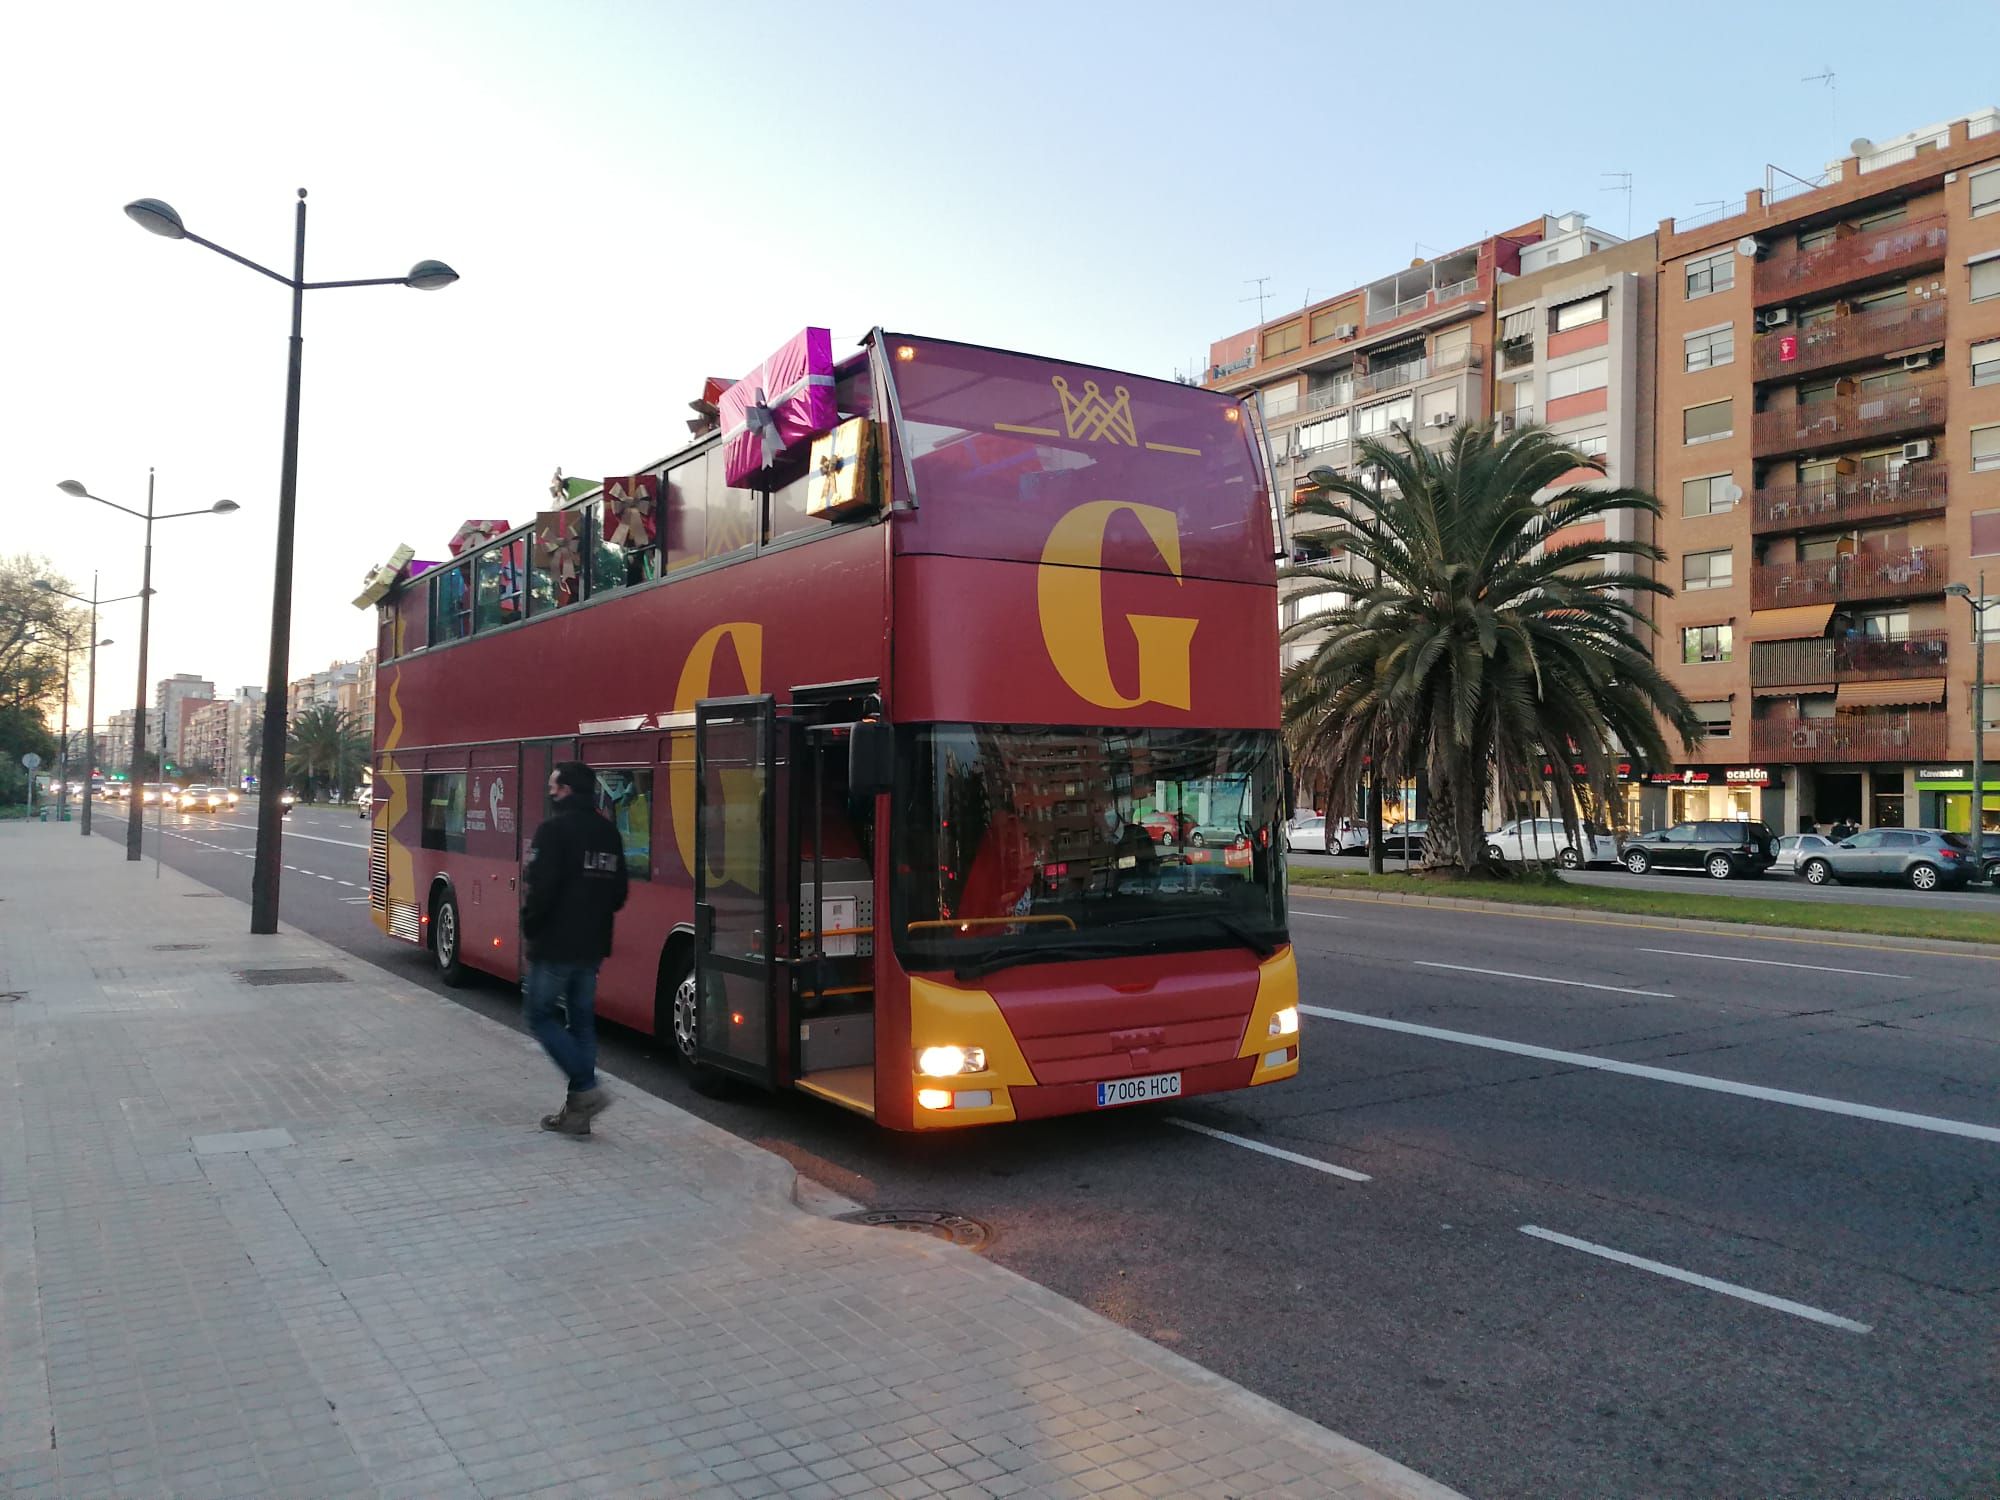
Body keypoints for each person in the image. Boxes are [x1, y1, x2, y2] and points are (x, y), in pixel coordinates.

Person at [520, 761, 629, 1135]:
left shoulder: (552, 831)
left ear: (565, 790)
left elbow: (541, 890)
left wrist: (530, 926)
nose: (549, 791)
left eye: (553, 785)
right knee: (581, 1023)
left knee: (539, 1015)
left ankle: (587, 1087)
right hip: (593, 944)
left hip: (555, 943)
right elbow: (619, 894)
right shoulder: (609, 833)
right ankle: (577, 1115)